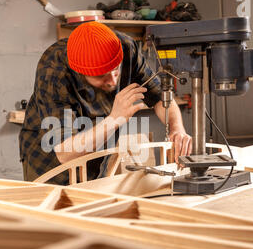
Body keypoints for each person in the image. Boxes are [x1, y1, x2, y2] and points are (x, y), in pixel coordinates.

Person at [20, 21, 192, 185]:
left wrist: (177, 129)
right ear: (80, 72)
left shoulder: (124, 47)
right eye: (101, 76)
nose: (112, 81)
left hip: (96, 150)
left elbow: (160, 97)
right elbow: (65, 152)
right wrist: (115, 119)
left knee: (93, 204)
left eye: (116, 70)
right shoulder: (54, 70)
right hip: (50, 160)